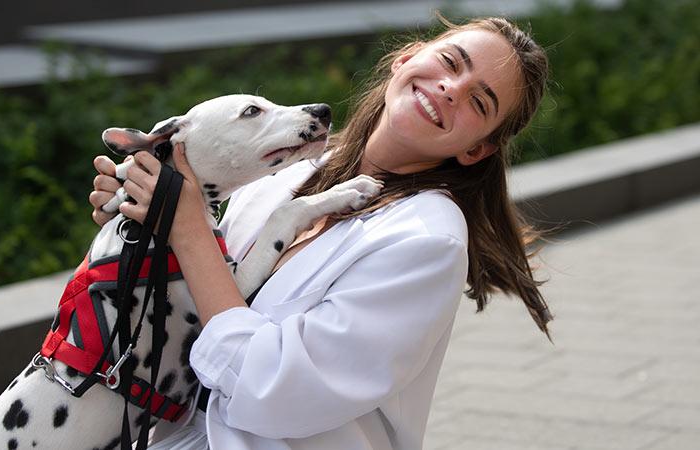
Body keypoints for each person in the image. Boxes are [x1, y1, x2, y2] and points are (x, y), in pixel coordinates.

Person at [89, 15, 553, 450]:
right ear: (406, 58)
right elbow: (198, 296)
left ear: (477, 150)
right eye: (451, 62)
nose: (452, 89)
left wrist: (187, 228)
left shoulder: (430, 241)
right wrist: (144, 216)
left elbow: (277, 389)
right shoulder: (290, 168)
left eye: (478, 102)